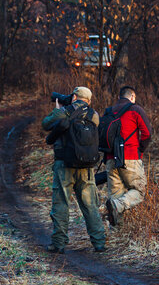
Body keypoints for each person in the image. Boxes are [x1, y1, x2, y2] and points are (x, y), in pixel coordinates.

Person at [42, 87, 106, 253]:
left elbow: (46, 124)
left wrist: (57, 110)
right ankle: (99, 242)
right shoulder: (94, 115)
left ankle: (59, 243)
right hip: (86, 165)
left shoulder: (64, 111)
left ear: (74, 97)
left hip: (64, 164)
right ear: (89, 101)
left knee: (61, 202)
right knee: (90, 204)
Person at [104, 86, 152, 226]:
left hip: (110, 159)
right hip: (130, 157)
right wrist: (140, 150)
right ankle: (117, 206)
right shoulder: (135, 109)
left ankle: (117, 233)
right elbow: (147, 133)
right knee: (139, 191)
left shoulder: (109, 111)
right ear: (132, 97)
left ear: (119, 97)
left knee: (115, 195)